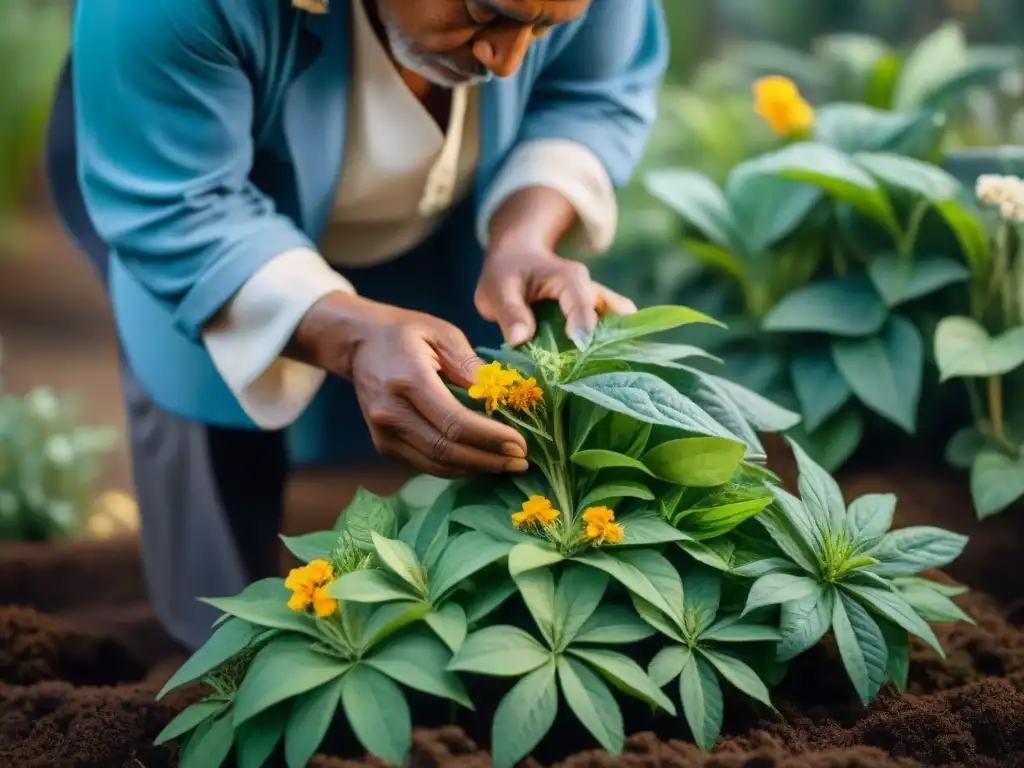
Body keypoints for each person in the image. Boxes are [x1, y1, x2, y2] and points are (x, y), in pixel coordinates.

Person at [47, 0, 668, 650]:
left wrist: (524, 234)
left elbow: (593, 89)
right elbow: (179, 204)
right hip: (201, 181)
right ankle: (224, 671)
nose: (507, 61)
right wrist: (351, 334)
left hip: (445, 215)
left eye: (542, 28)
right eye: (485, 14)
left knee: (459, 418)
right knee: (219, 491)